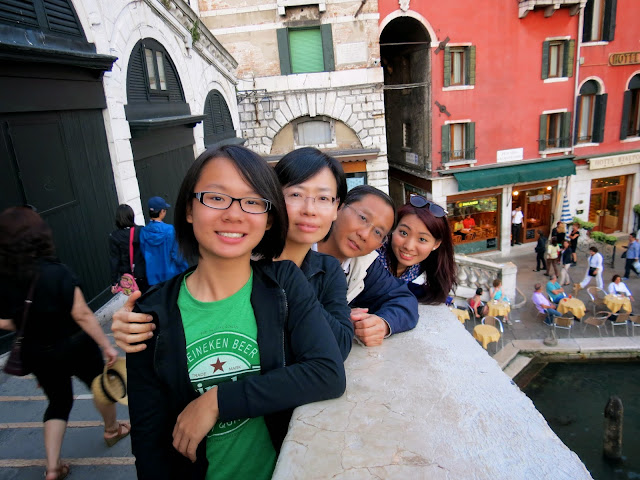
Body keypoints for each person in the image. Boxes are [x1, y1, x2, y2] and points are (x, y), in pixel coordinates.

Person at [126, 145, 346, 479]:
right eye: (216, 197)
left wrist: (218, 402)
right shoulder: (152, 313)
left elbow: (327, 372)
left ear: (269, 218)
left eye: (253, 201)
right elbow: (149, 441)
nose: (233, 214)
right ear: (188, 209)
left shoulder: (285, 283)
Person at [0, 207, 127, 480]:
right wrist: (105, 344)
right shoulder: (58, 272)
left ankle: (53, 467)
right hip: (75, 344)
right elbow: (81, 313)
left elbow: (5, 322)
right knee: (99, 386)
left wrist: (28, 321)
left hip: (36, 350)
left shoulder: (5, 279)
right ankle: (112, 429)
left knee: (58, 402)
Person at [317, 185, 419, 346]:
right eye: (363, 218)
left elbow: (403, 299)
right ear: (339, 207)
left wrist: (382, 324)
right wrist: (337, 319)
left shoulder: (363, 266)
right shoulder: (298, 248)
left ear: (380, 245)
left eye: (378, 232)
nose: (364, 235)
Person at [378, 195, 456, 302]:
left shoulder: (423, 267)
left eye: (422, 239)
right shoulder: (373, 255)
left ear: (436, 244)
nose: (409, 246)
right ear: (393, 228)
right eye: (404, 233)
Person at [139, 196, 189, 286]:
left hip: (152, 277)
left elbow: (144, 252)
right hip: (170, 275)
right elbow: (176, 254)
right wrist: (185, 269)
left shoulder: (143, 232)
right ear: (162, 211)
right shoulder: (169, 230)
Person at [108, 204, 149, 294]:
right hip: (144, 272)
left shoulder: (114, 236)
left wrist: (114, 282)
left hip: (129, 277)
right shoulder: (141, 230)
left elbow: (114, 260)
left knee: (134, 299)